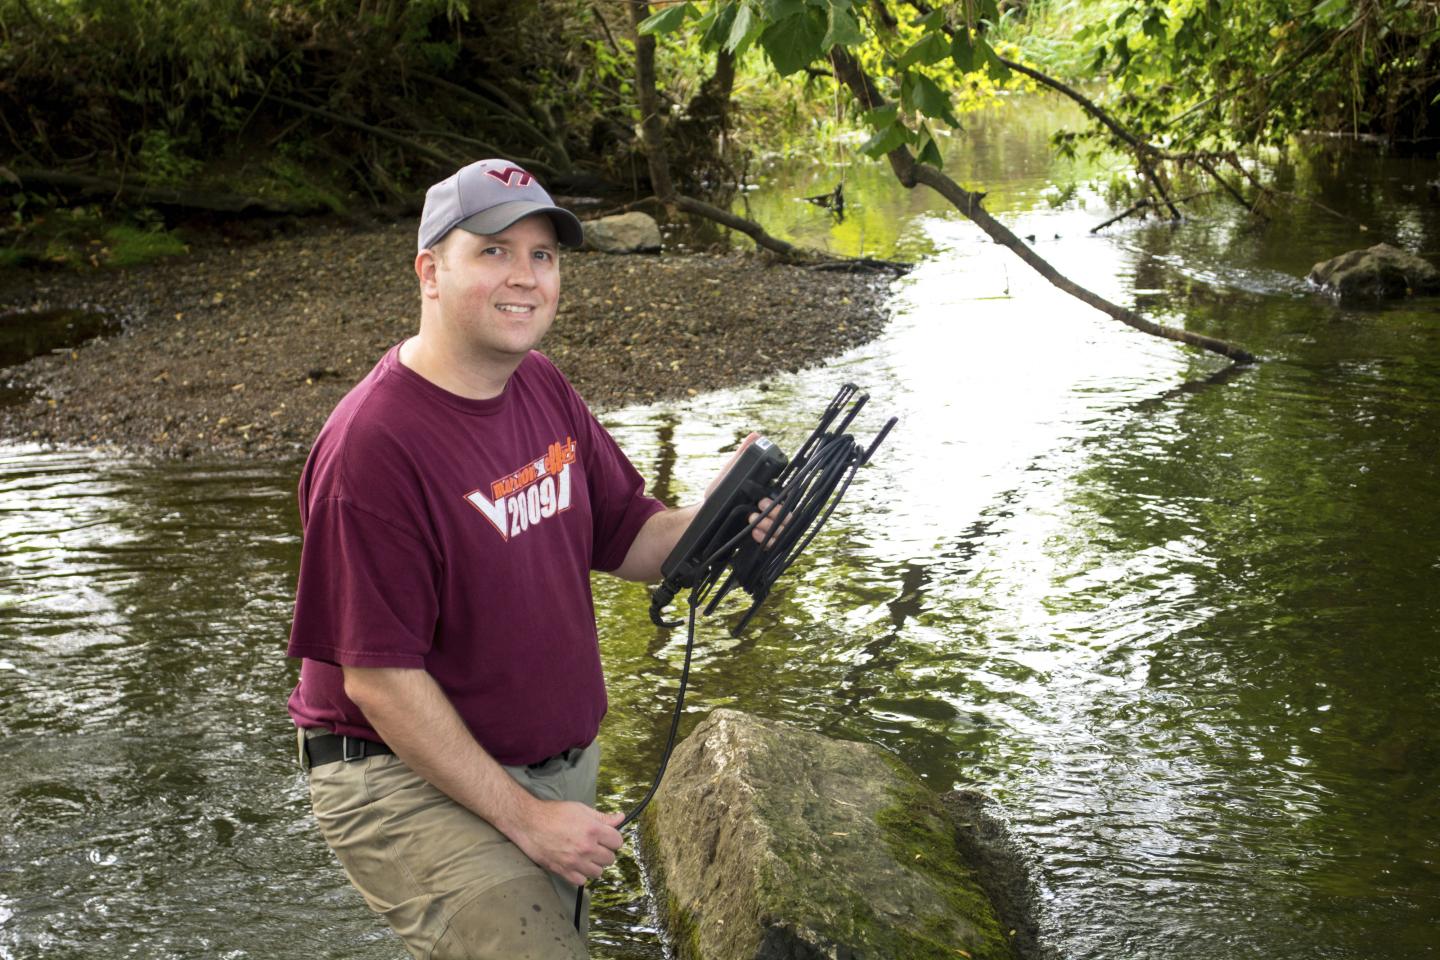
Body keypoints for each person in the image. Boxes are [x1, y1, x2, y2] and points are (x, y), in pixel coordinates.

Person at [285, 158, 778, 960]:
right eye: (493, 251)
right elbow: (376, 679)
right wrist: (527, 819)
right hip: (400, 778)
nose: (526, 277)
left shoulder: (542, 387)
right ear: (429, 271)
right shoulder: (371, 448)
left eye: (542, 255)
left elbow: (634, 539)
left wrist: (722, 511)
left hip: (549, 771)